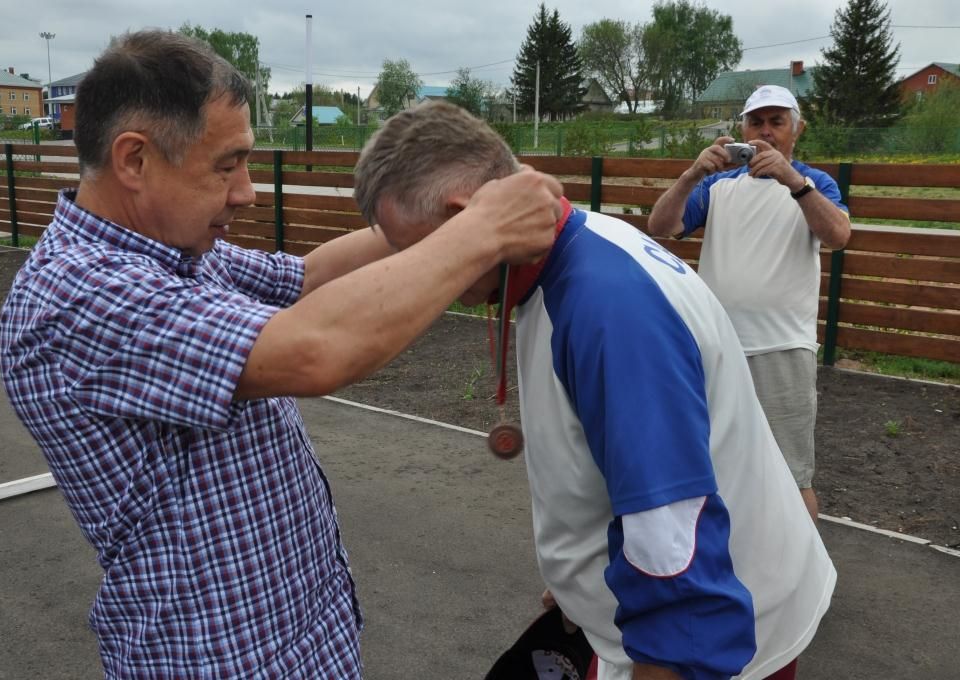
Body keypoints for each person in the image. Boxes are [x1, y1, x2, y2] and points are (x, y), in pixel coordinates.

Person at [0, 31, 562, 679]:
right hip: (218, 659)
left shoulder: (174, 253)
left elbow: (309, 280)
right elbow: (315, 351)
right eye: (226, 165)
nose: (247, 192)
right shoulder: (82, 294)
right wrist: (482, 229)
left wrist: (430, 212)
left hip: (298, 639)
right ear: (134, 160)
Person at [354, 100, 836, 680]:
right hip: (659, 619)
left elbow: (677, 559)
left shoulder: (607, 310)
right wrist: (585, 576)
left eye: (415, 250)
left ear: (463, 216)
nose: (417, 272)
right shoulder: (576, 248)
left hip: (716, 649)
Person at [647, 85, 852, 522]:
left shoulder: (815, 184)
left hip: (782, 348)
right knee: (710, 464)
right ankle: (727, 566)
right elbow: (661, 226)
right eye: (755, 122)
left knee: (791, 475)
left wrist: (793, 181)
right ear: (741, 128)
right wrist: (691, 175)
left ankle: (803, 581)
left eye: (776, 122)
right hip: (715, 347)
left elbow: (838, 236)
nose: (765, 133)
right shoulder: (720, 185)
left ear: (796, 129)